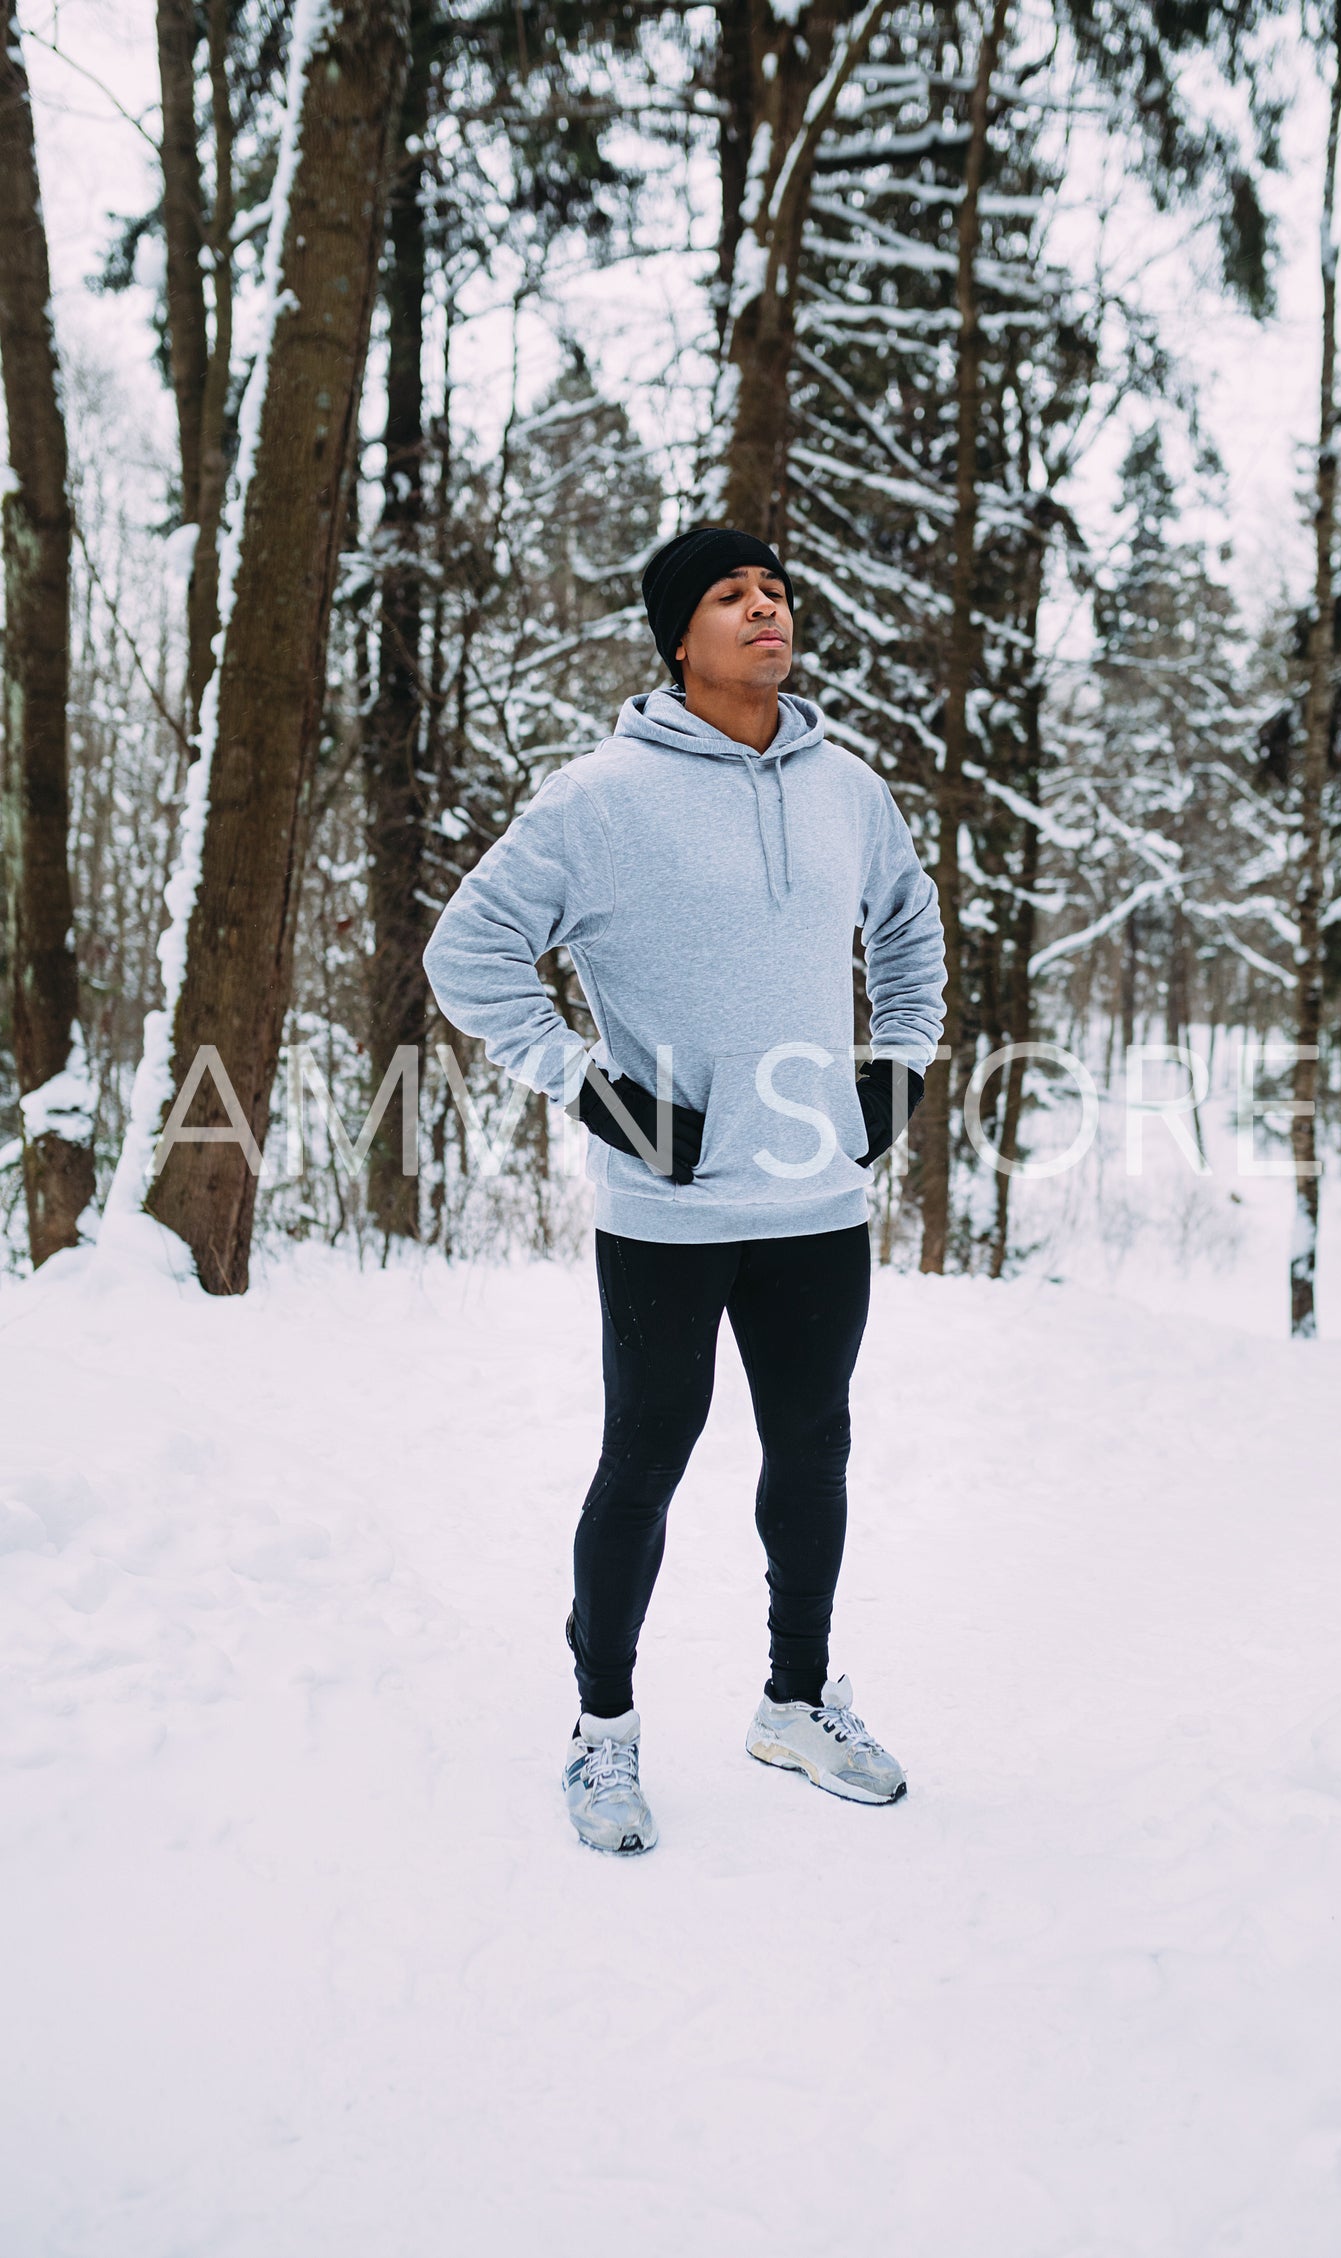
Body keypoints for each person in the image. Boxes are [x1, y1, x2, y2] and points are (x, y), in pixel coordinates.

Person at [423, 525, 946, 1855]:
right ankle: (603, 1732)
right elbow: (467, 952)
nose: (765, 607)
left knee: (812, 1449)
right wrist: (593, 1090)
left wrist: (902, 1056)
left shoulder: (846, 786)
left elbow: (906, 917)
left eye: (775, 588)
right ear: (678, 637)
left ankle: (794, 1699)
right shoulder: (599, 797)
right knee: (644, 1460)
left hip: (816, 1200)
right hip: (670, 1210)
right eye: (730, 594)